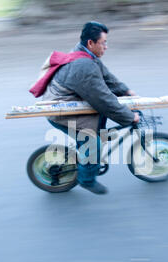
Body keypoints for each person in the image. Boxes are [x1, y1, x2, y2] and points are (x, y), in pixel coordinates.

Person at [40, 21, 139, 194]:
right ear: (91, 43)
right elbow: (103, 100)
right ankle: (86, 179)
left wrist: (127, 91)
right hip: (62, 112)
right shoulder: (83, 66)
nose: (106, 47)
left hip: (73, 104)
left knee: (101, 125)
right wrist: (129, 117)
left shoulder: (85, 55)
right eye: (103, 43)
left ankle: (88, 156)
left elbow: (108, 78)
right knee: (93, 142)